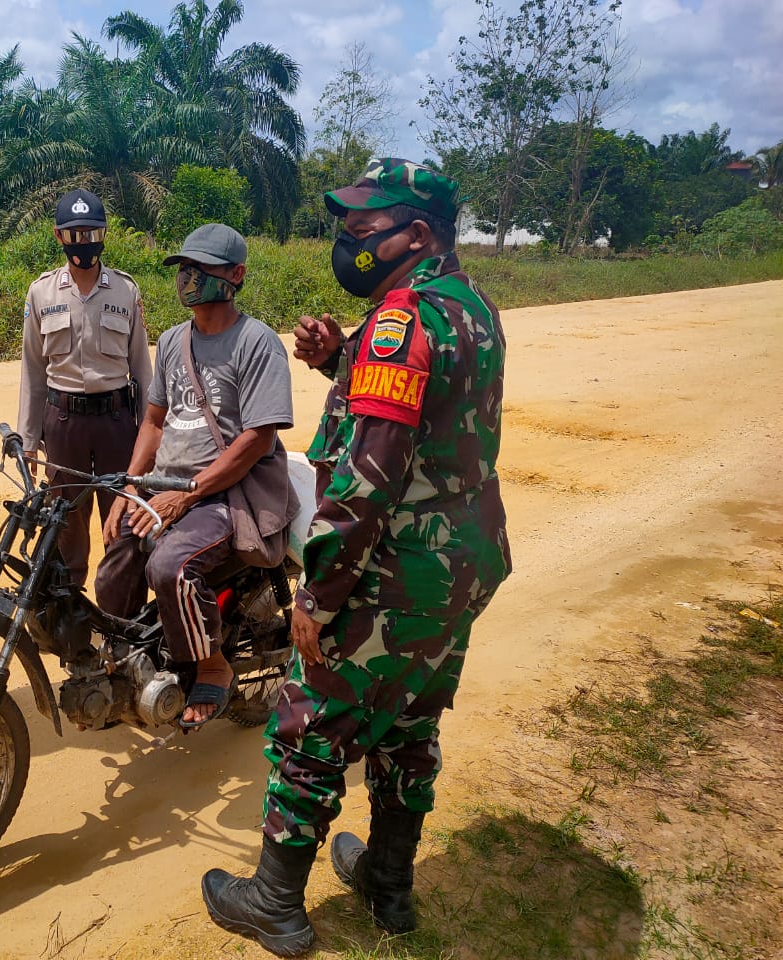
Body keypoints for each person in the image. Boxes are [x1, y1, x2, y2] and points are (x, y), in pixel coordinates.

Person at [201, 159, 512, 956]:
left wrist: (319, 597)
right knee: (409, 720)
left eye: (363, 229)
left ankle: (273, 901)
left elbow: (369, 476)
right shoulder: (469, 307)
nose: (348, 243)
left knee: (311, 729)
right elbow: (430, 411)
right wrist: (340, 357)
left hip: (391, 570)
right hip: (458, 565)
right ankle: (389, 882)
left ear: (417, 233)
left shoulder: (398, 324)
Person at [95, 223, 294, 728]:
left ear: (236, 275)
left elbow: (258, 439)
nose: (189, 277)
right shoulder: (172, 340)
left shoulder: (258, 343)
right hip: (166, 486)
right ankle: (125, 661)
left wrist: (186, 498)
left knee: (171, 567)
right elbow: (155, 423)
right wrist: (131, 487)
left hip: (225, 493)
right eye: (185, 267)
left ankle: (213, 664)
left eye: (202, 268)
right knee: (118, 544)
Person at [17, 189, 152, 586]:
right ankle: (71, 612)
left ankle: (119, 609)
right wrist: (28, 439)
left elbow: (142, 370)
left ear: (104, 233)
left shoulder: (126, 291)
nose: (83, 243)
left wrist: (150, 434)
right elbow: (32, 370)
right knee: (67, 520)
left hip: (115, 422)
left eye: (91, 233)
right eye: (73, 235)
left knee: (123, 514)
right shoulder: (41, 292)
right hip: (64, 423)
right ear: (58, 237)